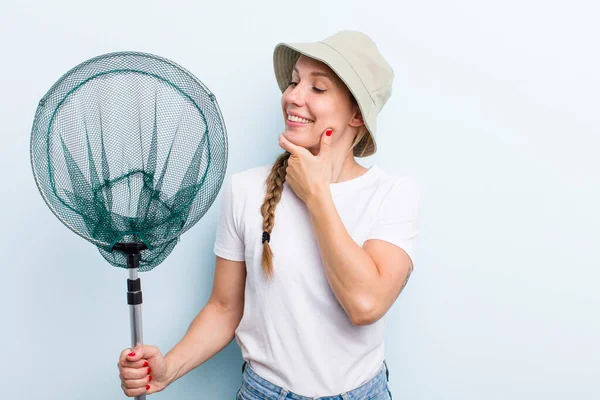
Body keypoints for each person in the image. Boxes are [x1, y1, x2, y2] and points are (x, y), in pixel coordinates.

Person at [117, 30, 421, 399]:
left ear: (356, 113)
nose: (292, 96)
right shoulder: (245, 190)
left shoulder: (393, 194)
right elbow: (224, 307)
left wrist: (317, 196)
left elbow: (365, 304)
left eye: (318, 88)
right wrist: (168, 369)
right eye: (293, 83)